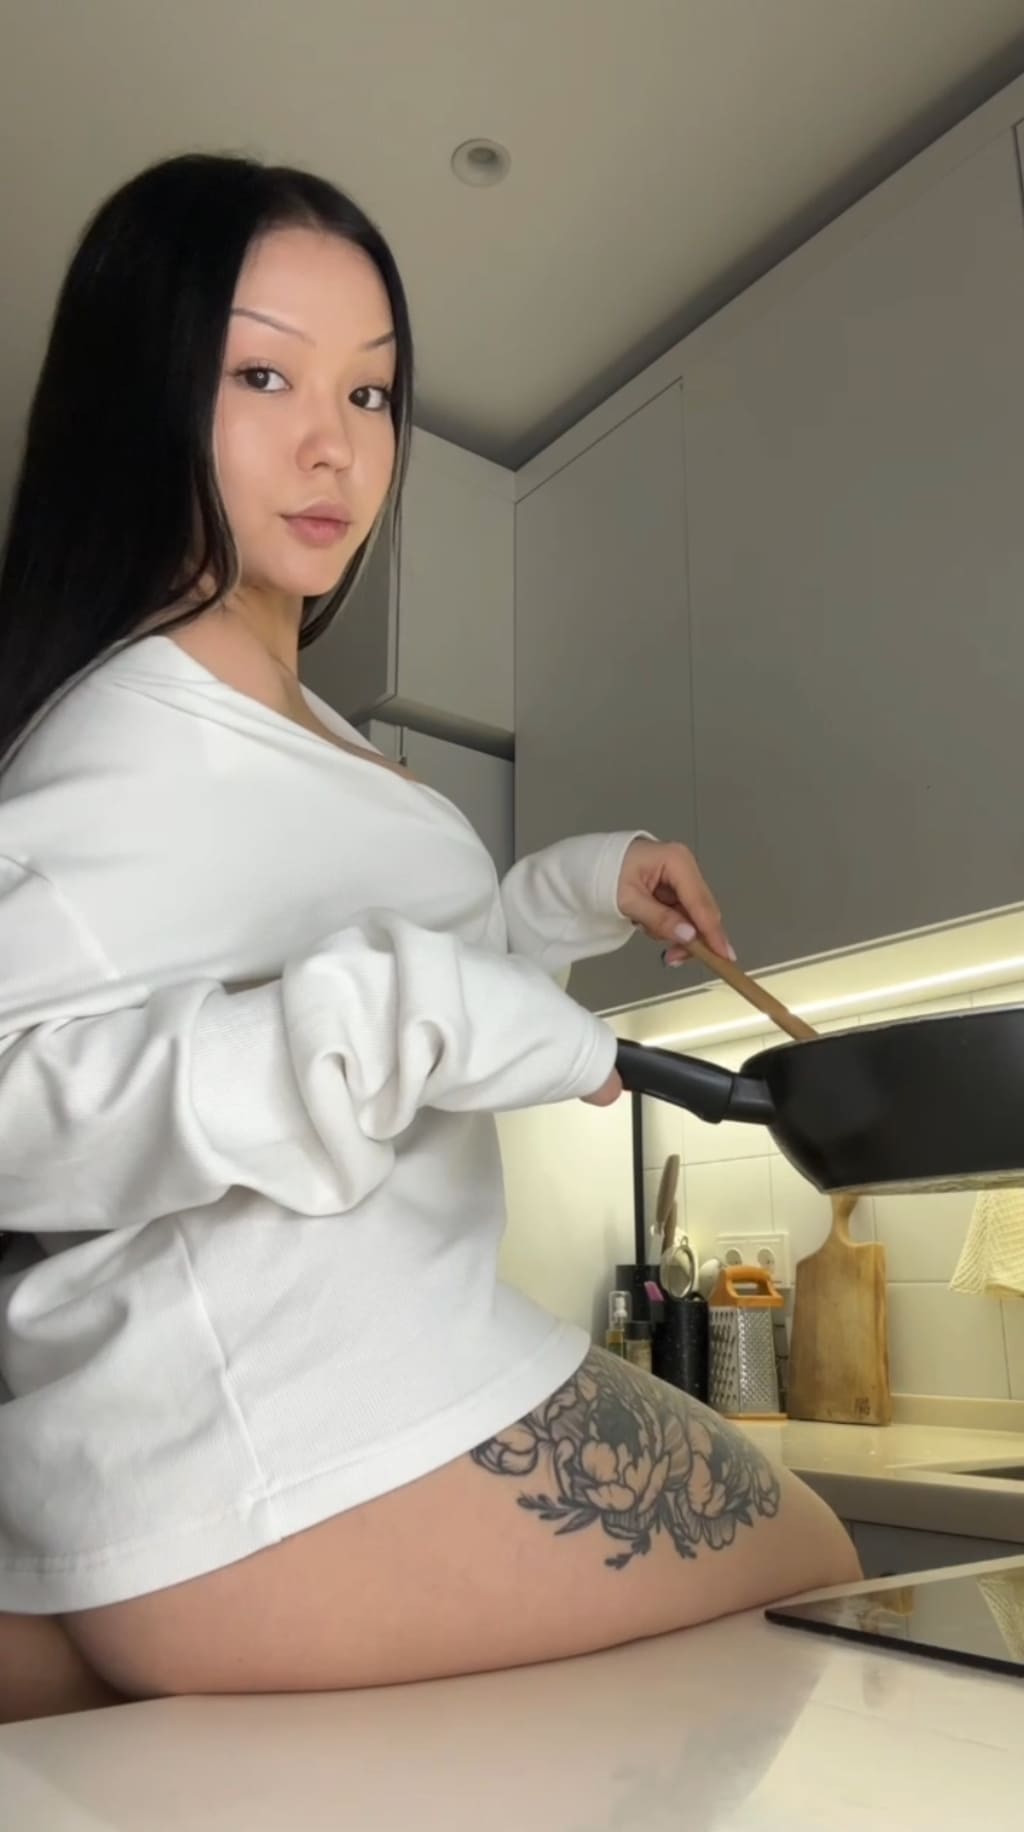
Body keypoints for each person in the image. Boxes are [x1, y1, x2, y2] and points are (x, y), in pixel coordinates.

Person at [0, 154, 858, 1723]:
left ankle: (63, 1627)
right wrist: (380, 1014)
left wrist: (576, 894)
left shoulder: (310, 730)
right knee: (818, 1567)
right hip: (274, 1446)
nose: (336, 444)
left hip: (368, 1380)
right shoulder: (117, 735)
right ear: (142, 389)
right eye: (264, 375)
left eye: (373, 392)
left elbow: (408, 996)